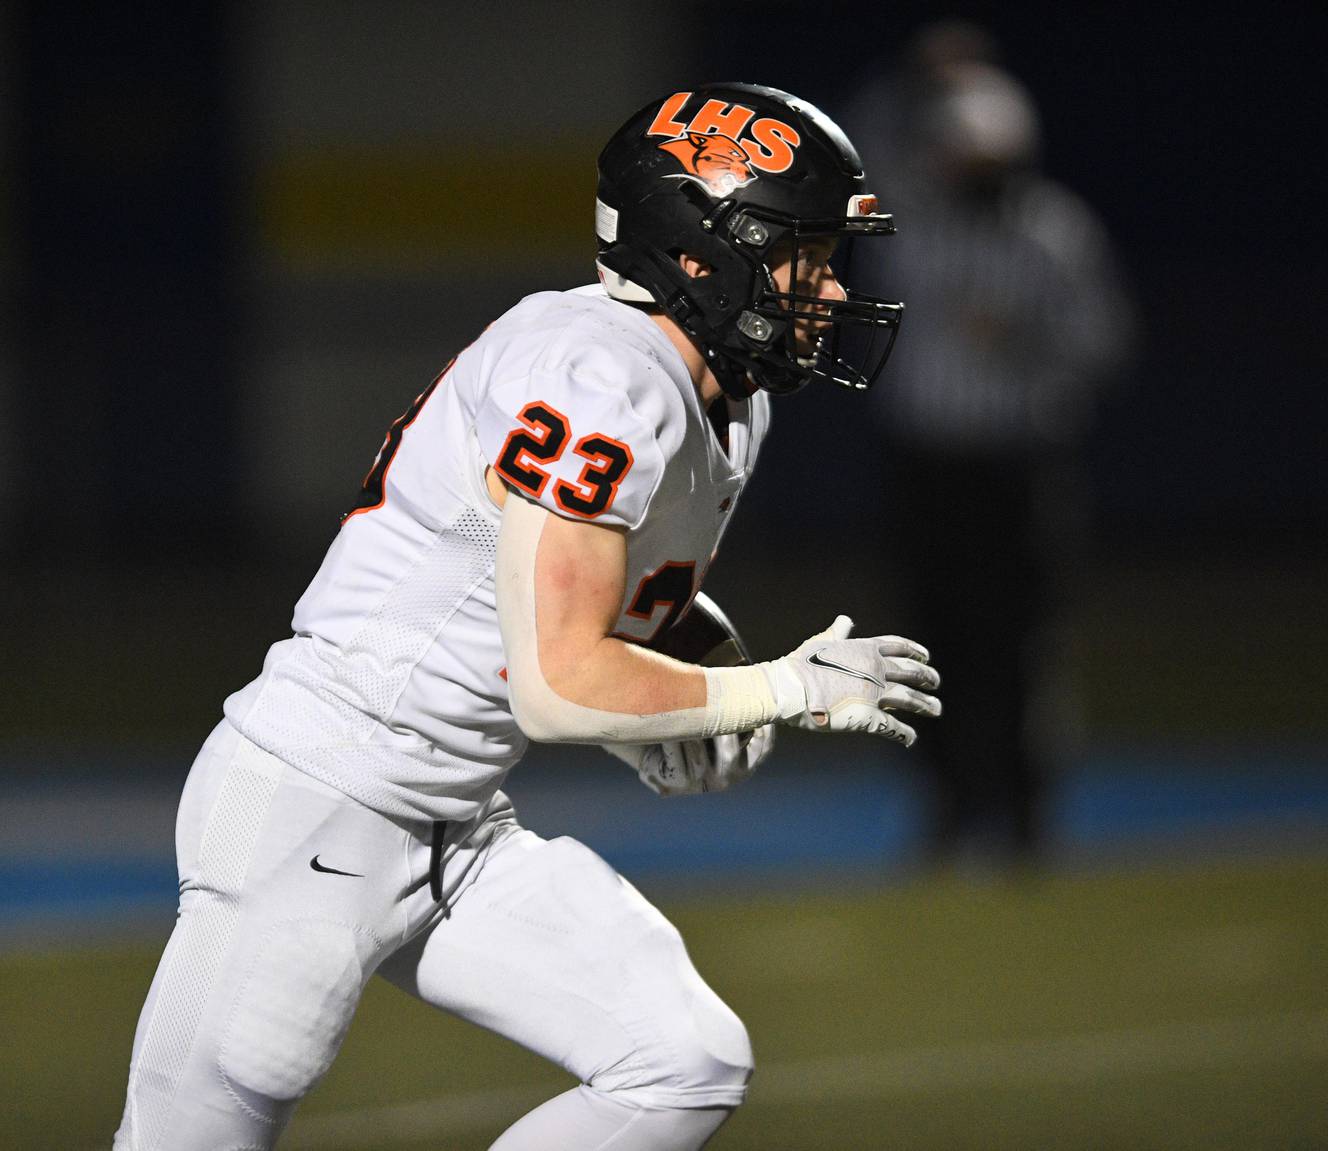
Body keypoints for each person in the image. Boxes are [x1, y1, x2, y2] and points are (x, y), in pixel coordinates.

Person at [113, 83, 941, 1151]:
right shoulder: (596, 369)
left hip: (451, 816)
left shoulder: (725, 391)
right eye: (804, 253)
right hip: (319, 793)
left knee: (682, 1058)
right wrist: (786, 687)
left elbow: (591, 588)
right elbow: (558, 684)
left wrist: (693, 662)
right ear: (700, 253)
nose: (828, 285)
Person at [850, 27, 1134, 863]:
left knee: (1022, 643)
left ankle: (1025, 814)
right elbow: (855, 157)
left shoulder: (1054, 232)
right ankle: (943, 808)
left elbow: (1106, 340)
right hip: (930, 463)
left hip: (1018, 465)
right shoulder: (918, 224)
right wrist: (917, 75)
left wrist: (1026, 341)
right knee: (929, 642)